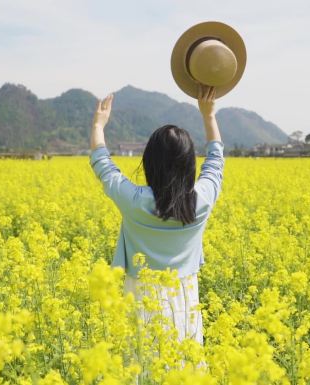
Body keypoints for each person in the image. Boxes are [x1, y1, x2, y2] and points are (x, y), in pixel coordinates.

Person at [89, 85, 224, 345]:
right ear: (189, 164)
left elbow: (102, 164)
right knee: (183, 359)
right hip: (184, 292)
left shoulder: (135, 201)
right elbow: (216, 161)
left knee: (143, 361)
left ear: (149, 162)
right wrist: (209, 115)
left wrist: (98, 125)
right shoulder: (201, 200)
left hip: (141, 293)